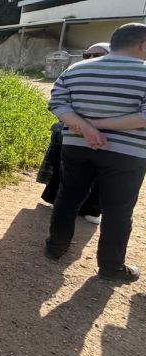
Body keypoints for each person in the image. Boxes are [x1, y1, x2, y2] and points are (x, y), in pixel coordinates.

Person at [45, 24, 146, 282]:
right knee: (118, 210)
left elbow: (56, 103)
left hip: (76, 147)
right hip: (127, 153)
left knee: (68, 197)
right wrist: (97, 126)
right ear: (142, 45)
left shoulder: (76, 69)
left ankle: (55, 247)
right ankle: (111, 267)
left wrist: (87, 127)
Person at [38, 42, 111, 223]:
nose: (92, 59)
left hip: (108, 137)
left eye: (98, 54)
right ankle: (57, 201)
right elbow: (58, 102)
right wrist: (77, 124)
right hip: (73, 133)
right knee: (66, 172)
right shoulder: (75, 73)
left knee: (101, 175)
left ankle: (92, 209)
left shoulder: (120, 78)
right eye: (88, 55)